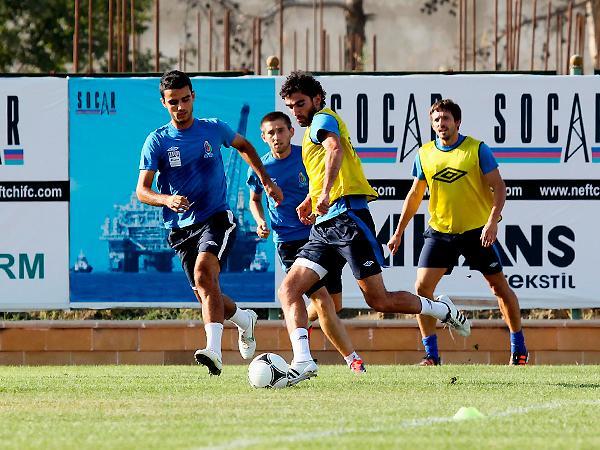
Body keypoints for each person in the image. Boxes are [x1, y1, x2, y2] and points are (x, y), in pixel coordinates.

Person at [277, 71, 471, 385]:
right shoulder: (312, 129)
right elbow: (330, 166)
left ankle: (440, 310)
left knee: (379, 300)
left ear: (316, 99)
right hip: (323, 228)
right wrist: (311, 199)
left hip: (348, 220)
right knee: (289, 290)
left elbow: (335, 150)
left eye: (300, 104)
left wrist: (324, 194)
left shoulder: (323, 120)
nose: (296, 111)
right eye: (291, 106)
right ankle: (303, 361)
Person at [136, 70, 283, 376]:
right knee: (205, 292)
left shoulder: (213, 128)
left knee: (205, 274)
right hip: (179, 229)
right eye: (173, 102)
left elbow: (244, 146)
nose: (180, 107)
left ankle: (213, 351)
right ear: (163, 103)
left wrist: (266, 181)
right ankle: (244, 319)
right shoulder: (157, 141)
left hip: (216, 217)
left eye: (185, 99)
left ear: (193, 97)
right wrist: (166, 200)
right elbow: (142, 191)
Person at [387, 99, 528, 366]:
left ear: (457, 122)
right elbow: (415, 195)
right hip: (440, 233)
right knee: (422, 289)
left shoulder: (476, 149)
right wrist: (398, 232)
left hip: (477, 232)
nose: (441, 124)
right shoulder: (425, 154)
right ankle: (431, 355)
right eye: (436, 120)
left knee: (499, 288)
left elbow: (499, 187)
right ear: (432, 124)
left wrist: (492, 221)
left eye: (446, 119)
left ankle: (519, 349)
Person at [247, 111, 366, 374]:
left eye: (281, 130)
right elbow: (254, 199)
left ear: (291, 131)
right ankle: (352, 360)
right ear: (263, 137)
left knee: (334, 304)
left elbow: (325, 180)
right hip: (289, 242)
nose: (276, 137)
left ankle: (299, 321)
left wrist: (318, 204)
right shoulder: (261, 168)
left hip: (320, 236)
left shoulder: (306, 156)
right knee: (323, 301)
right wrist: (260, 221)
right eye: (270, 133)